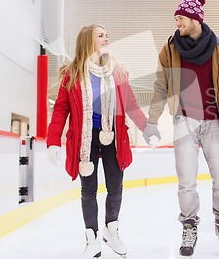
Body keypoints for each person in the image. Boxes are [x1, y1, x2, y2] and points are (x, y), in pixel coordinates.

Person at [142, 0, 219, 257]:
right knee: (186, 181)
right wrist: (152, 120)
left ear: (195, 18)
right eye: (176, 19)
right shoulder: (171, 48)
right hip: (184, 120)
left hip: (214, 121)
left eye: (181, 18)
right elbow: (161, 85)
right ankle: (189, 225)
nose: (177, 23)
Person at [46, 24, 147, 259]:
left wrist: (146, 126)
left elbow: (130, 104)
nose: (106, 38)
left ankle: (111, 230)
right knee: (88, 190)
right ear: (87, 41)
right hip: (85, 139)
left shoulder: (118, 71)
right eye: (100, 35)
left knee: (115, 186)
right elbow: (61, 109)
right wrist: (53, 140)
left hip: (113, 136)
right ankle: (91, 238)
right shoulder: (71, 74)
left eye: (106, 34)